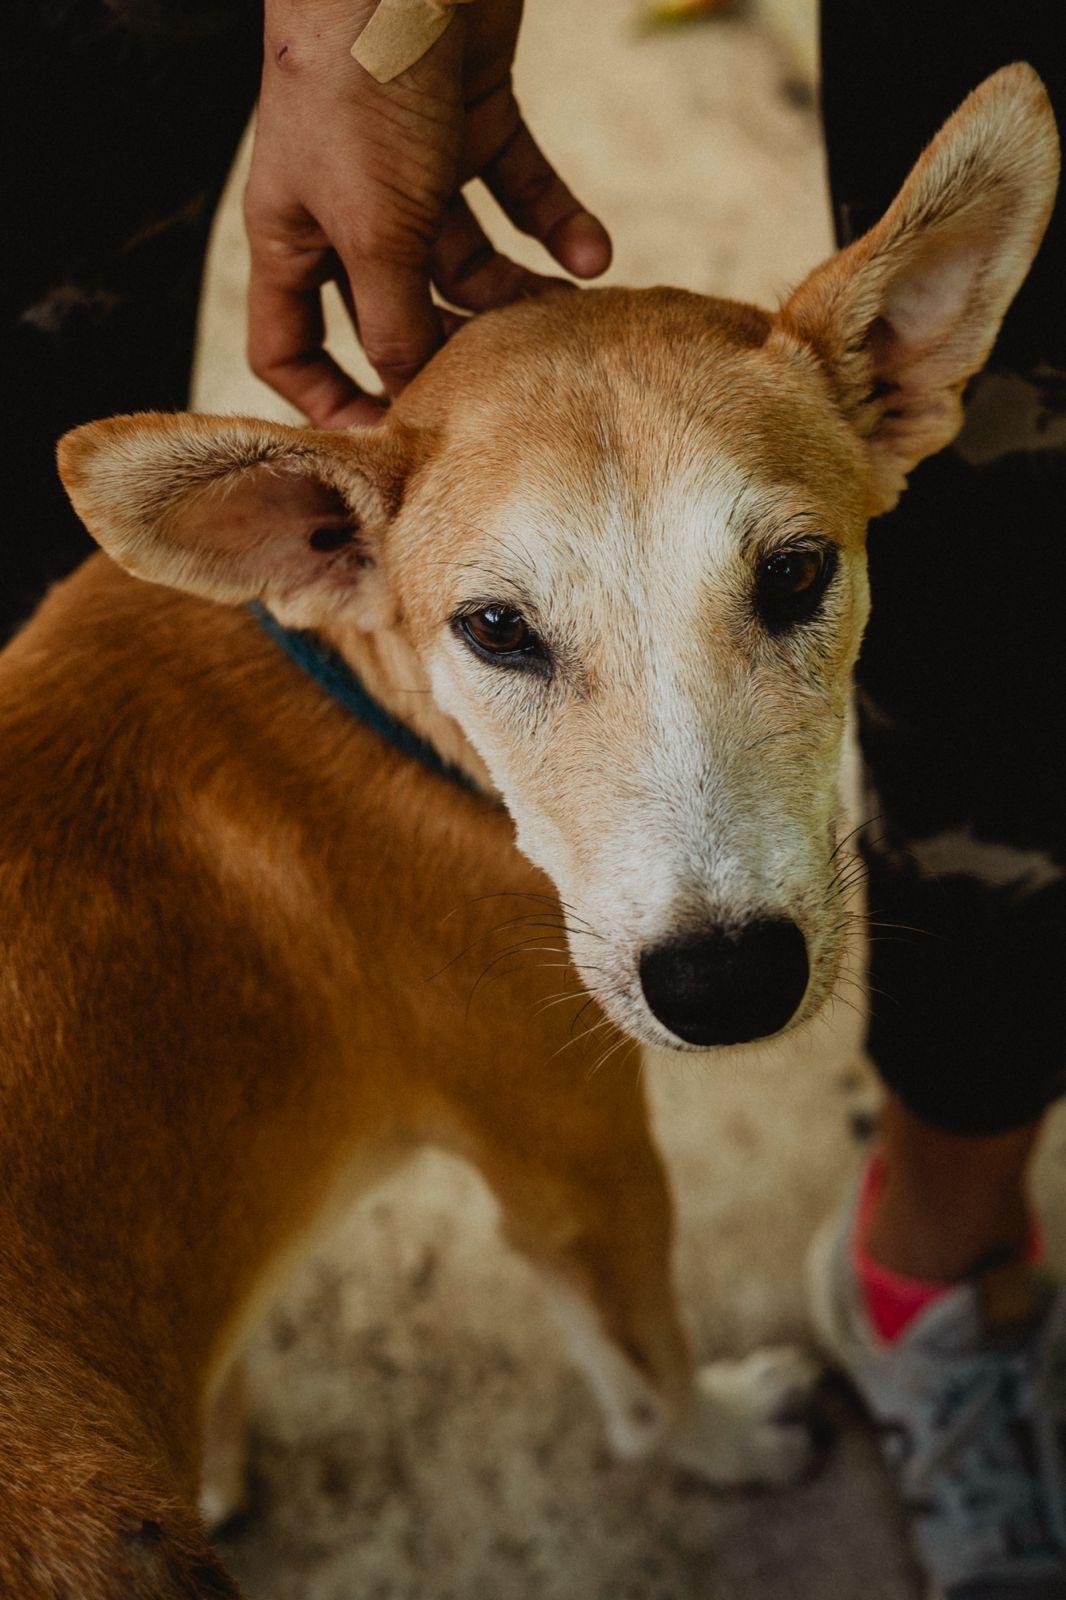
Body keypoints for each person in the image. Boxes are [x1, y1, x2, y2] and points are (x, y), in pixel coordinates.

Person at [3, 3, 1064, 1595]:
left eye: (784, 580)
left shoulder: (373, 606)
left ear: (893, 389)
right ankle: (666, 1419)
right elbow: (581, 1217)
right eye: (506, 632)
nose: (706, 892)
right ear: (313, 544)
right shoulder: (360, 608)